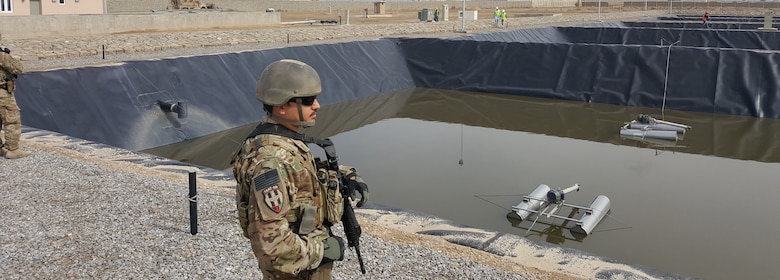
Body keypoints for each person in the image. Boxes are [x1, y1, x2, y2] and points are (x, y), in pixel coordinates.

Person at [233, 59, 367, 279]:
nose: (317, 106)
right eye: (307, 100)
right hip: (296, 272)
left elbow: (299, 177)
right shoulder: (269, 162)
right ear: (281, 105)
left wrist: (345, 175)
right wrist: (322, 251)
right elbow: (271, 246)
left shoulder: (284, 140)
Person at [0, 32, 30, 159]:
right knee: (12, 120)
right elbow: (17, 68)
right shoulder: (2, 55)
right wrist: (7, 55)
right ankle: (12, 149)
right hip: (3, 94)